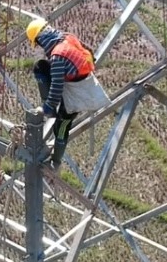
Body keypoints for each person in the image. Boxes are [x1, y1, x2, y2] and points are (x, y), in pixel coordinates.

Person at [27, 17, 108, 168]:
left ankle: (55, 162)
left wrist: (48, 107)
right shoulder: (67, 37)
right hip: (78, 80)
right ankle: (52, 109)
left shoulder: (58, 56)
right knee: (41, 67)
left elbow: (57, 86)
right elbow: (89, 51)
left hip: (78, 92)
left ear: (41, 39)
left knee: (61, 126)